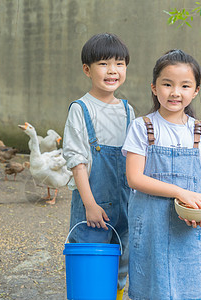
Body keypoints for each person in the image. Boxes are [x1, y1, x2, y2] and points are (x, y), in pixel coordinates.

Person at [122, 49, 201, 299]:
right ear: (154, 87)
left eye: (185, 85)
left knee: (189, 289)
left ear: (195, 91)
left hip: (187, 227)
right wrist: (182, 193)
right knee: (150, 288)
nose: (175, 92)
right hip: (149, 227)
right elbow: (134, 178)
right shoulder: (142, 127)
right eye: (167, 84)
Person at [63, 33, 135, 299]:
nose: (112, 70)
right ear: (87, 69)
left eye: (119, 63)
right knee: (91, 266)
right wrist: (90, 205)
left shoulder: (129, 111)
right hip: (92, 207)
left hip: (126, 206)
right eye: (103, 64)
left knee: (122, 267)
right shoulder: (81, 109)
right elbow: (77, 162)